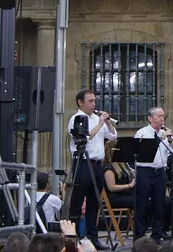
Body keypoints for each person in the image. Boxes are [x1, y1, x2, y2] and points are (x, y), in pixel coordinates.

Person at [67, 89, 116, 250]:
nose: (93, 104)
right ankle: (73, 238)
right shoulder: (76, 118)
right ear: (80, 102)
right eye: (90, 101)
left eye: (94, 100)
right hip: (82, 163)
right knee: (77, 203)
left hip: (97, 165)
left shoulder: (97, 118)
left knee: (94, 203)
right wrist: (100, 123)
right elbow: (84, 138)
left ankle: (92, 238)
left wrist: (107, 122)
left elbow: (112, 137)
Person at [133, 107, 173, 242]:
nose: (162, 119)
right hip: (145, 171)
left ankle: (157, 234)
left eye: (163, 116)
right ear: (150, 119)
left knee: (159, 204)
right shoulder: (142, 132)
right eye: (159, 116)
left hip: (160, 172)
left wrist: (170, 140)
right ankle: (139, 236)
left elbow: (171, 152)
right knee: (142, 204)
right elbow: (144, 151)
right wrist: (159, 138)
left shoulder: (164, 132)